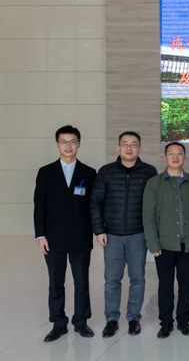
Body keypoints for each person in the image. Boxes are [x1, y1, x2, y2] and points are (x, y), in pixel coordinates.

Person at [33, 125, 97, 342]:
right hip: (53, 238)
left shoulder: (89, 173)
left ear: (79, 144)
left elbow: (93, 206)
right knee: (56, 282)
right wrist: (40, 235)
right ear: (57, 144)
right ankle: (58, 323)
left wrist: (97, 231)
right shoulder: (45, 172)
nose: (68, 146)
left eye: (72, 142)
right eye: (64, 141)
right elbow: (39, 206)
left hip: (81, 237)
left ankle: (81, 322)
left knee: (82, 282)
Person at [91, 131, 157, 337]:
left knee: (138, 279)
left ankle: (133, 318)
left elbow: (155, 205)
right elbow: (95, 202)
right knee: (112, 279)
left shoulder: (149, 172)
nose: (129, 148)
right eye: (125, 144)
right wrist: (99, 230)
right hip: (112, 235)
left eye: (133, 144)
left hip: (138, 235)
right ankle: (111, 319)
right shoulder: (106, 172)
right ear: (118, 147)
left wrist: (152, 234)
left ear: (140, 148)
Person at [144, 142, 189, 338]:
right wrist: (153, 243)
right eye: (171, 154)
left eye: (179, 153)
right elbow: (148, 216)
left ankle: (184, 321)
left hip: (188, 244)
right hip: (164, 245)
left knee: (187, 285)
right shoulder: (154, 183)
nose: (175, 157)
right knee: (165, 286)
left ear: (184, 157)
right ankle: (166, 323)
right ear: (165, 157)